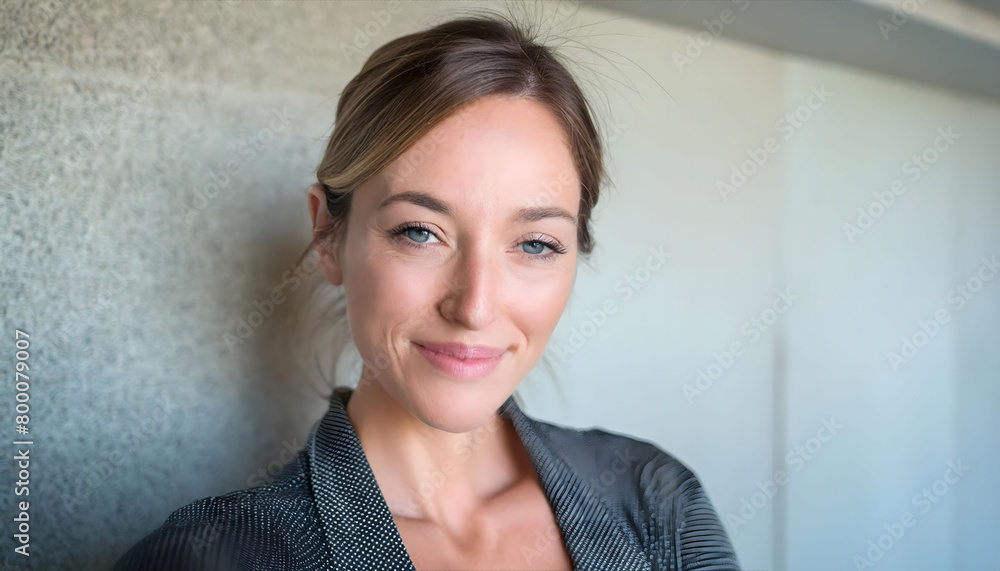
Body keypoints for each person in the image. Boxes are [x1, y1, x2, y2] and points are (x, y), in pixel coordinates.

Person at [113, 12, 741, 571]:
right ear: (328, 235)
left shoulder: (659, 504)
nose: (474, 307)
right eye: (421, 232)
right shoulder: (208, 555)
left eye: (535, 244)